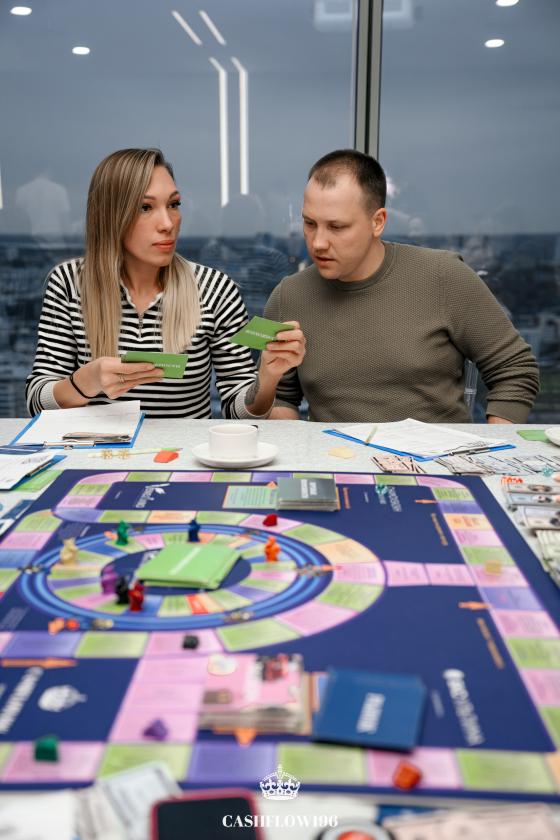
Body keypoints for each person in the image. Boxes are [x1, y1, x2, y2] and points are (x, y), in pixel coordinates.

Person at [264, 149, 539, 423]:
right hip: (333, 450)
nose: (318, 242)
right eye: (310, 223)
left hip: (438, 450)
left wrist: (491, 446)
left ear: (377, 222)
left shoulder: (444, 276)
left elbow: (514, 368)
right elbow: (280, 396)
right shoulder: (288, 295)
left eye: (336, 227)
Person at [26, 148, 304, 419]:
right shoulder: (68, 283)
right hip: (97, 449)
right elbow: (37, 402)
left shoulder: (215, 289)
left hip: (185, 451)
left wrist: (266, 379)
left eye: (173, 204)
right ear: (110, 216)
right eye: (145, 207)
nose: (168, 223)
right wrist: (86, 381)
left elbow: (237, 410)